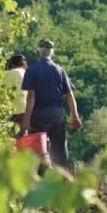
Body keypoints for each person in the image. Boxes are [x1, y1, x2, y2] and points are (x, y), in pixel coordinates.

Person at [21, 39, 82, 172]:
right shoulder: (60, 70)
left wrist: (26, 119)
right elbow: (70, 95)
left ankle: (40, 180)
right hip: (57, 113)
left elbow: (31, 96)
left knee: (38, 149)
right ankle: (64, 181)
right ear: (52, 54)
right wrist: (75, 117)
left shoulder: (32, 70)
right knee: (59, 150)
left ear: (38, 52)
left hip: (39, 114)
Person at [4, 54, 28, 131]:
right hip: (29, 110)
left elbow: (6, 93)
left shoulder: (9, 73)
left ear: (12, 65)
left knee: (15, 136)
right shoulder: (28, 74)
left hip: (15, 110)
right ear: (24, 64)